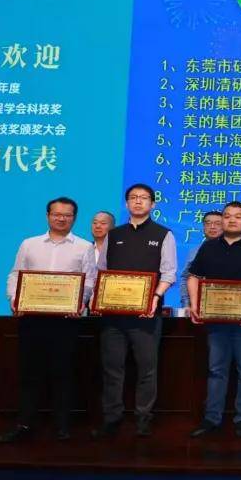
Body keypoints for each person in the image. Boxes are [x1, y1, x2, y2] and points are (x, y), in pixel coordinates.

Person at [0, 197, 97, 443]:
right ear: (47, 216)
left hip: (66, 320)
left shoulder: (84, 247)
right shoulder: (29, 244)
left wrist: (80, 302)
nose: (61, 218)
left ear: (74, 218)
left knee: (63, 373)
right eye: (56, 214)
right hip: (32, 318)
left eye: (67, 215)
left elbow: (89, 280)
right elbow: (15, 274)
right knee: (29, 372)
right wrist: (15, 298)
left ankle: (62, 426)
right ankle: (24, 424)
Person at [93, 183, 177, 440]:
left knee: (147, 370)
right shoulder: (114, 234)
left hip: (147, 315)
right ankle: (112, 418)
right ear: (126, 203)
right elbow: (102, 271)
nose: (138, 201)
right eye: (133, 197)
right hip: (113, 315)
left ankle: (143, 418)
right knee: (112, 369)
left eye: (143, 198)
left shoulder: (164, 234)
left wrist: (155, 297)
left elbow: (169, 273)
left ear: (153, 204)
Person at [187, 201, 241, 439]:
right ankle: (212, 418)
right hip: (216, 321)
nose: (232, 220)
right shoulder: (208, 247)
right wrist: (194, 304)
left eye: (238, 216)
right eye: (227, 216)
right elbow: (193, 277)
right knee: (216, 370)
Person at [179, 211, 223, 307]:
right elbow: (185, 278)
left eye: (217, 223)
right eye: (208, 223)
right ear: (203, 227)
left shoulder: (235, 250)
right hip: (199, 305)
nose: (212, 227)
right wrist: (186, 304)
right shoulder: (195, 251)